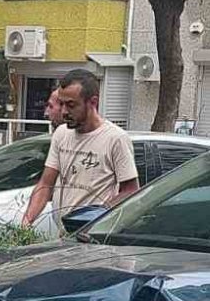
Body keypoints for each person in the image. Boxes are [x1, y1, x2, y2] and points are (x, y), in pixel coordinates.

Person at [21, 69, 139, 231]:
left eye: (71, 105)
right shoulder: (61, 134)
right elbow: (45, 184)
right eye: (61, 104)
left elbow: (130, 191)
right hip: (64, 234)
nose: (64, 112)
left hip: (94, 235)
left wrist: (95, 217)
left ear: (93, 102)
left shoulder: (115, 138)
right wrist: (26, 222)